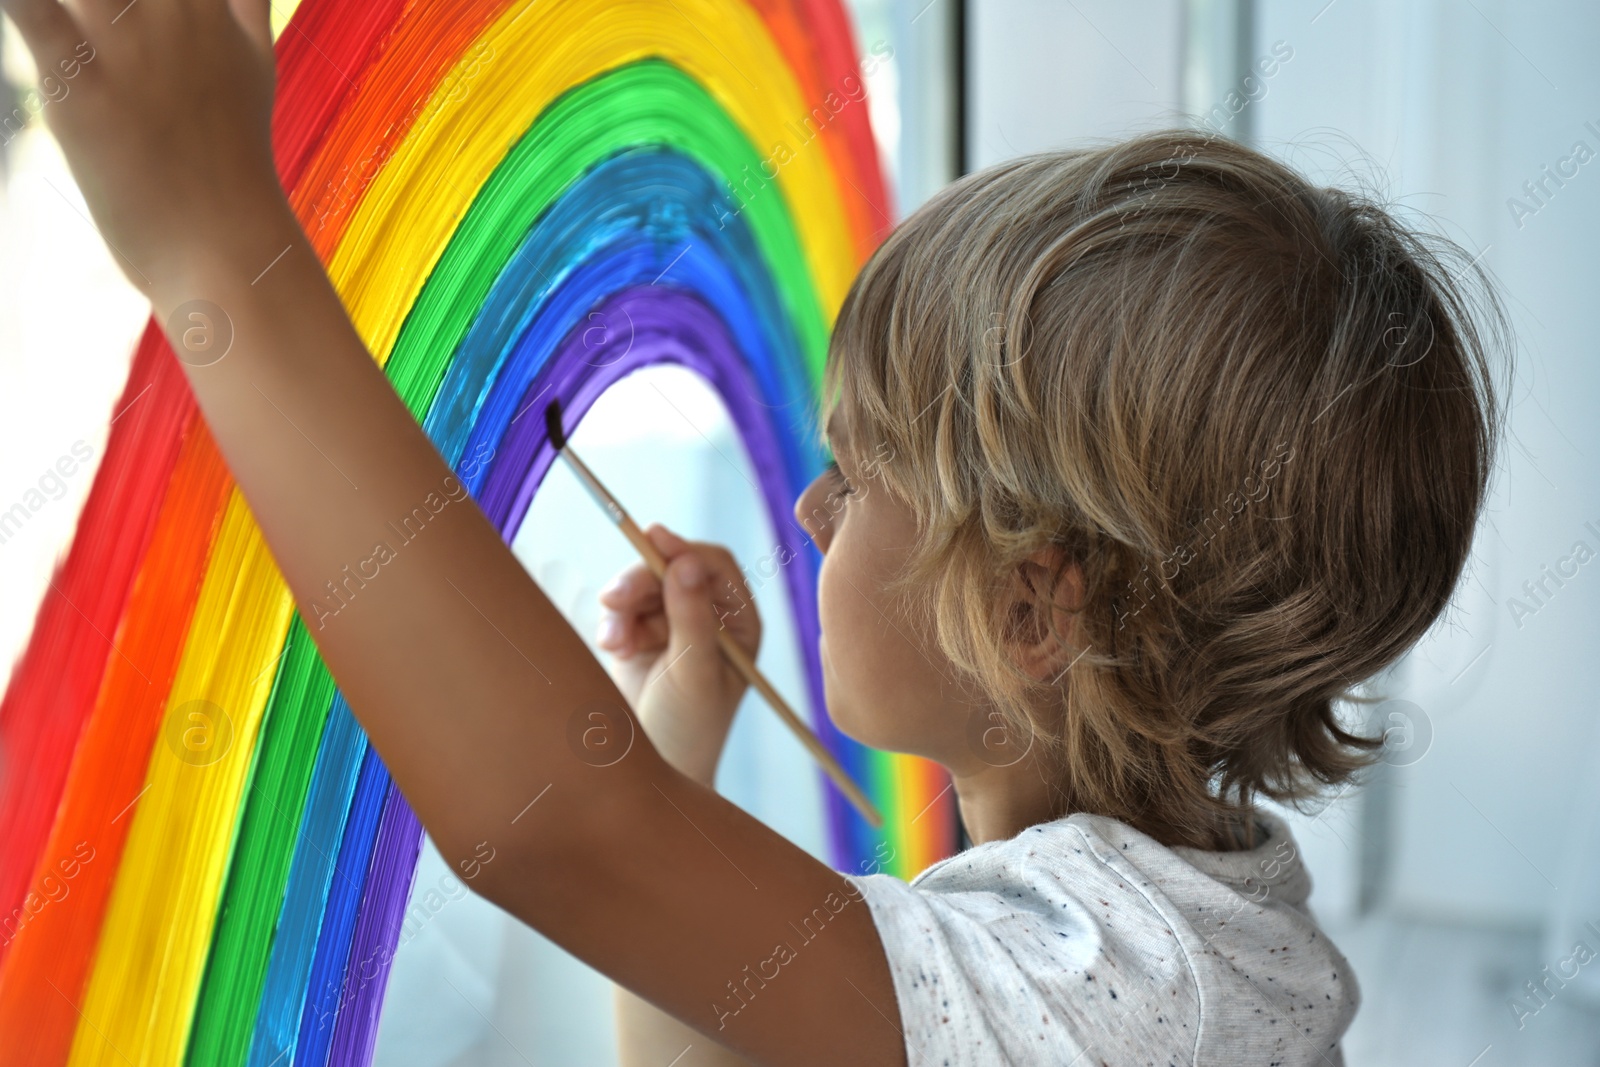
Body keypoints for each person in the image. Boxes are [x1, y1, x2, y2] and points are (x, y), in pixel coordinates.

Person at [0, 1, 1507, 1063]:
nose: (805, 506)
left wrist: (218, 242)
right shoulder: (1152, 917)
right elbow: (718, 1030)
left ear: (1036, 613)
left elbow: (558, 834)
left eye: (856, 478)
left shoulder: (1124, 984)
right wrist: (681, 736)